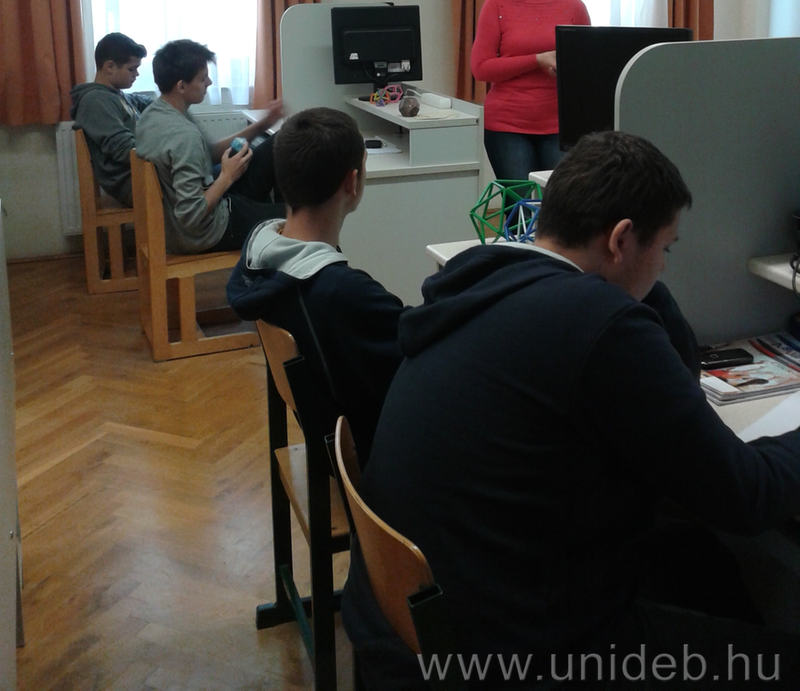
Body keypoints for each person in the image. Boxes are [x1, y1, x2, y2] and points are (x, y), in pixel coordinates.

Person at [343, 131, 800, 690]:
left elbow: (674, 386)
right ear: (621, 239)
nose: (664, 267)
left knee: (700, 558)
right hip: (507, 658)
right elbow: (746, 495)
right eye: (666, 250)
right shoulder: (596, 322)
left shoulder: (486, 281)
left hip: (411, 624)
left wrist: (632, 285)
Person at [226, 107, 405, 461]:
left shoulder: (261, 255)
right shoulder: (342, 292)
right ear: (352, 182)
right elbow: (416, 348)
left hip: (328, 442)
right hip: (370, 460)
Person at [135, 39, 284, 254]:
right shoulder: (183, 135)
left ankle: (280, 221)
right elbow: (191, 215)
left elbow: (208, 153)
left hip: (203, 212)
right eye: (203, 78)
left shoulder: (154, 114)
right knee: (303, 217)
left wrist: (263, 124)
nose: (210, 82)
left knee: (281, 141)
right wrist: (227, 176)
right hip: (207, 231)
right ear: (181, 86)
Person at [471, 0, 590, 180]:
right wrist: (537, 60)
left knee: (560, 201)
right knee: (522, 202)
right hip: (506, 126)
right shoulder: (496, 5)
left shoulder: (574, 8)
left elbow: (585, 69)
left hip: (560, 126)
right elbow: (481, 68)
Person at [70, 32, 153, 206]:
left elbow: (153, 104)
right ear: (110, 67)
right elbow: (124, 149)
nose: (137, 74)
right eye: (131, 69)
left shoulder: (117, 95)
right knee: (201, 181)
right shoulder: (96, 101)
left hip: (143, 173)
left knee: (206, 175)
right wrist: (167, 152)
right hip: (132, 182)